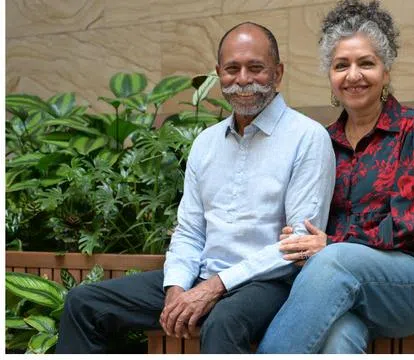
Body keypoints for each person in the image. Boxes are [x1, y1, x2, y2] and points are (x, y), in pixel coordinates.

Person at [56, 23, 336, 353]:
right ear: (219, 74)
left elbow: (296, 248)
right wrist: (175, 287)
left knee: (223, 322)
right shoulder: (205, 143)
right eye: (232, 69)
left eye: (256, 68)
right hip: (203, 276)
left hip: (270, 282)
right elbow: (189, 230)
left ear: (278, 73)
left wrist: (217, 286)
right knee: (84, 302)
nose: (243, 79)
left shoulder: (307, 138)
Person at [257, 0, 414, 353]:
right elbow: (309, 216)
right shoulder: (321, 141)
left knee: (334, 262)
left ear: (385, 71)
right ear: (330, 75)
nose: (353, 75)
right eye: (341, 65)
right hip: (343, 284)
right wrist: (296, 234)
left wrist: (332, 244)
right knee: (340, 332)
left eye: (366, 63)